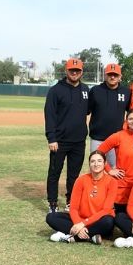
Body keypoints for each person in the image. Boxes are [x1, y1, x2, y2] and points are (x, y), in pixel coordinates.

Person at [44, 57, 90, 213]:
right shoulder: (55, 90)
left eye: (77, 70)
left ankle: (71, 201)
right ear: (66, 71)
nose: (74, 73)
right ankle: (52, 202)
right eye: (72, 70)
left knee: (74, 175)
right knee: (54, 172)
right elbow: (49, 115)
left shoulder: (85, 90)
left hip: (79, 141)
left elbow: (87, 111)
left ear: (82, 72)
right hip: (60, 141)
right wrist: (51, 138)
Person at [46, 150, 117, 244]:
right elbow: (73, 208)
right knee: (51, 217)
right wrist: (78, 223)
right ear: (89, 164)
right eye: (93, 161)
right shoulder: (81, 180)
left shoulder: (112, 182)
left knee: (108, 221)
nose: (96, 164)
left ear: (105, 163)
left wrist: (83, 224)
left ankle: (74, 238)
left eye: (99, 161)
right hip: (80, 219)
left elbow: (106, 210)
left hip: (99, 221)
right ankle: (90, 236)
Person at [97, 109, 133, 214]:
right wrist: (109, 170)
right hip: (123, 184)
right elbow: (98, 152)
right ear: (126, 121)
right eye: (130, 119)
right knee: (121, 216)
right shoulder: (118, 136)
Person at [88, 63, 130, 168]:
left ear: (120, 77)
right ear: (105, 75)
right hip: (97, 138)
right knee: (96, 167)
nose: (112, 77)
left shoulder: (126, 92)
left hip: (116, 138)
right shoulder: (95, 90)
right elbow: (87, 110)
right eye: (110, 74)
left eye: (115, 75)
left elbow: (131, 112)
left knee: (114, 168)